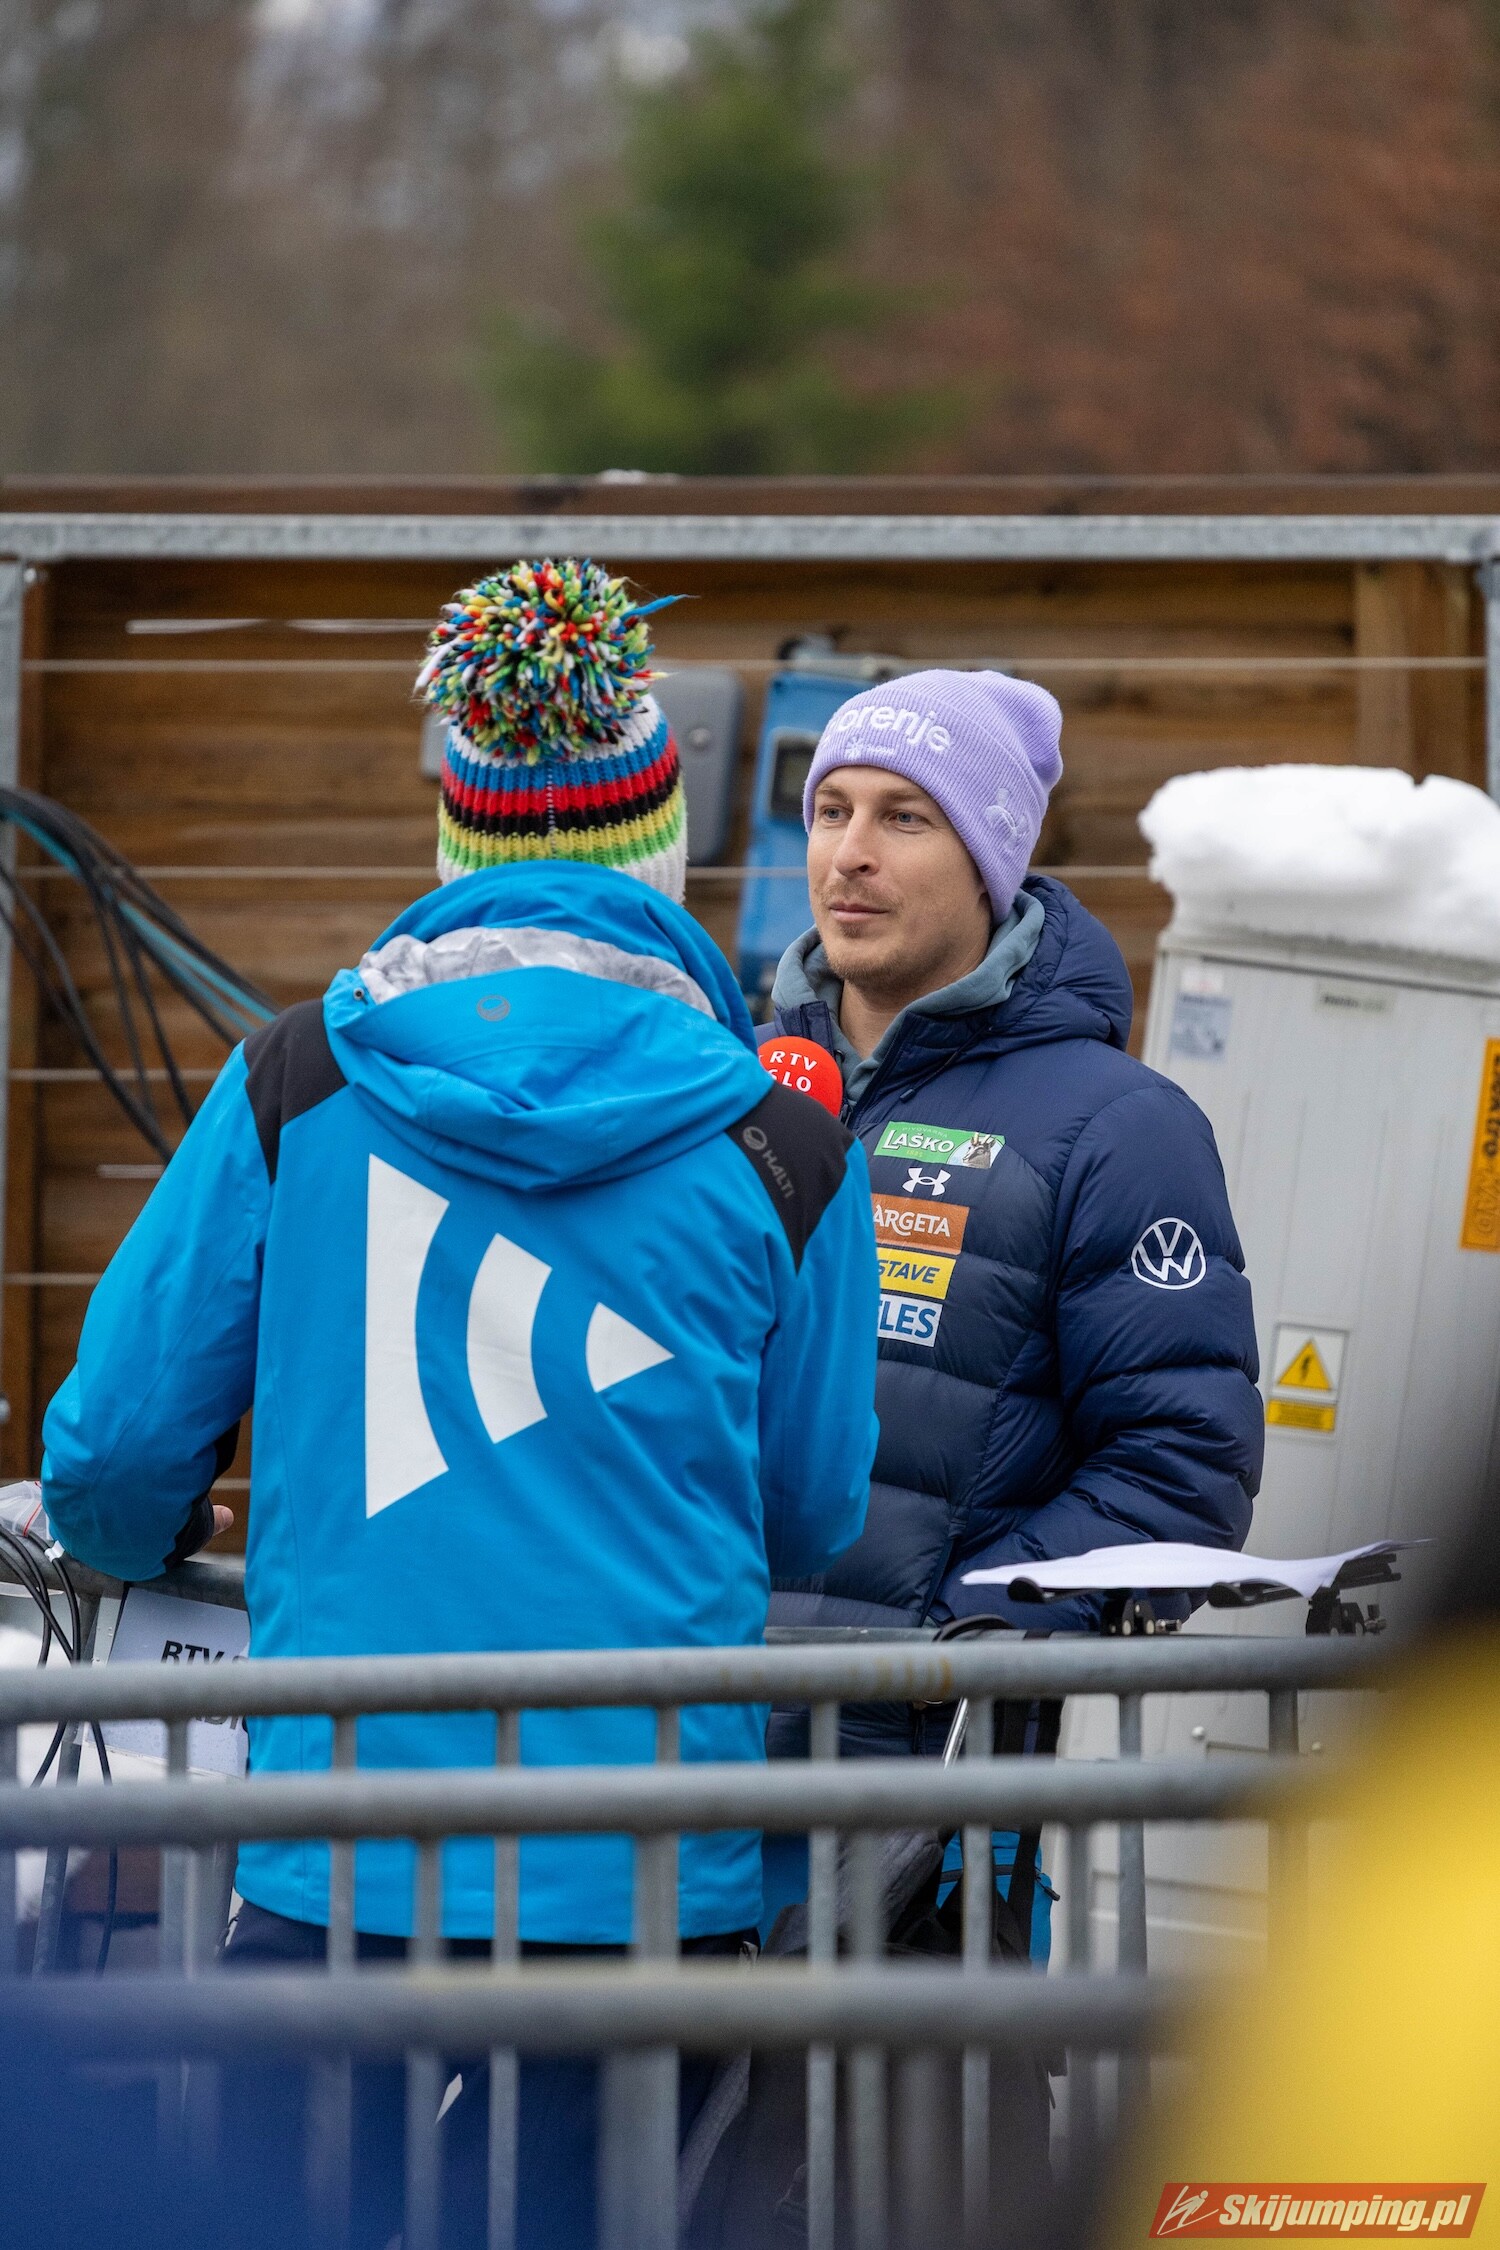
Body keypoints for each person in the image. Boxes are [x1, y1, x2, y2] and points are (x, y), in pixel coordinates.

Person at [39, 559, 880, 2248]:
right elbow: (810, 1511)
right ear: (664, 851)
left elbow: (112, 1455)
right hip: (649, 1874)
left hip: (339, 1856)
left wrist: (156, 1530)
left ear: (452, 839)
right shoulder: (788, 1142)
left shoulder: (297, 1084)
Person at [764, 666, 1262, 1668]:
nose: (850, 854)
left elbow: (1182, 1461)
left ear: (988, 865)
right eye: (832, 811)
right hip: (687, 1727)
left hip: (924, 1746)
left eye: (905, 817)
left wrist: (960, 1645)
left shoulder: (1121, 1129)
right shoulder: (730, 1087)